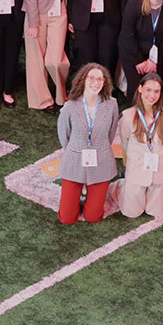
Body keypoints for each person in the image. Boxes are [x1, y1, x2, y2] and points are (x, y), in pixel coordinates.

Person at [57, 63, 119, 225]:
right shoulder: (70, 106)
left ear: (105, 82)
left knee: (93, 217)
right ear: (82, 80)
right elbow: (64, 136)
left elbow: (110, 134)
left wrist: (99, 148)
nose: (95, 82)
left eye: (100, 79)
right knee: (67, 219)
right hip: (75, 160)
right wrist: (76, 150)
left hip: (101, 160)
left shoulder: (112, 104)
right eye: (91, 78)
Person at [112, 74, 163, 218]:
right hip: (136, 171)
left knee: (157, 212)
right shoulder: (128, 117)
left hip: (160, 172)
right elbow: (125, 143)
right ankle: (120, 185)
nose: (152, 95)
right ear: (140, 89)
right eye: (148, 90)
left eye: (156, 91)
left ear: (161, 93)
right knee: (131, 213)